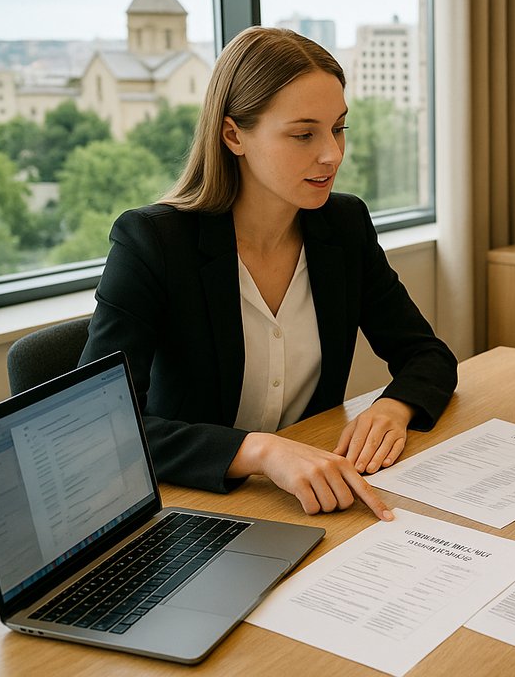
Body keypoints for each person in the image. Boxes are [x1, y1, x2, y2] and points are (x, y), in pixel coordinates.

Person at [80, 26, 457, 519]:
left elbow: (427, 354)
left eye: (338, 128)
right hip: (194, 511)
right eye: (304, 134)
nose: (332, 154)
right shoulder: (152, 243)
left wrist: (394, 407)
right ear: (233, 134)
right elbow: (100, 426)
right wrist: (260, 451)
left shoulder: (343, 227)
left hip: (313, 503)